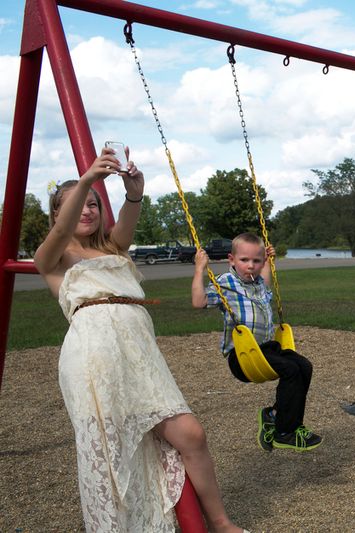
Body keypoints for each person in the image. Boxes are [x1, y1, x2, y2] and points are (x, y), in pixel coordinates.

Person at [34, 147, 244, 532]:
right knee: (114, 456)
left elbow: (127, 221)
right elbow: (62, 231)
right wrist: (86, 181)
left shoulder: (113, 247)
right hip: (94, 357)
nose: (87, 210)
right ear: (58, 214)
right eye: (78, 204)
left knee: (190, 434)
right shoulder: (53, 256)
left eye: (94, 204)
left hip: (139, 354)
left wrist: (134, 192)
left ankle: (220, 522)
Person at [192, 233, 322, 452]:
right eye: (244, 260)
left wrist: (269, 263)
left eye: (256, 261)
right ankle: (285, 432)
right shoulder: (226, 283)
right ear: (231, 260)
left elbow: (266, 283)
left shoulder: (259, 283)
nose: (250, 266)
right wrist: (199, 269)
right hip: (243, 356)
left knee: (304, 366)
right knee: (290, 369)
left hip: (267, 349)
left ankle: (273, 415)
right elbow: (199, 302)